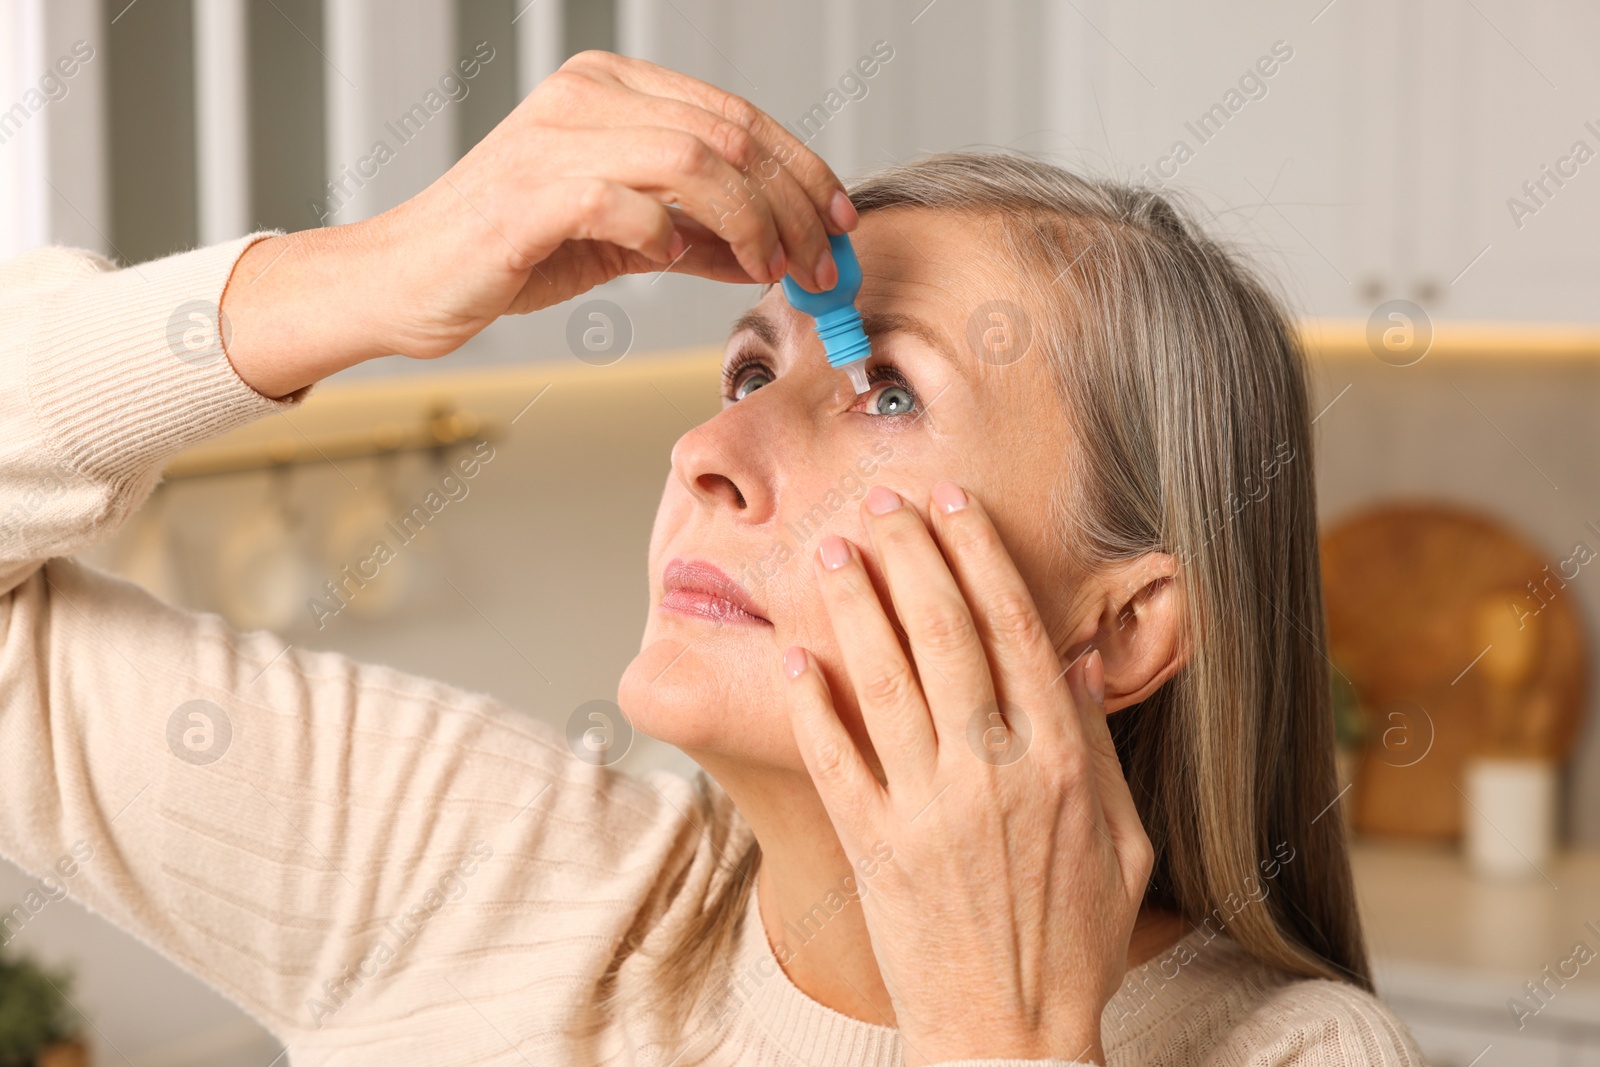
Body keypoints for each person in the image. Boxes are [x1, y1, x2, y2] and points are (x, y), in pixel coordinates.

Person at [0, 51, 1421, 1066]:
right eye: (750, 371)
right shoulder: (471, 865)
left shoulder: (1294, 1055)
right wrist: (375, 270)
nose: (707, 456)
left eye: (885, 392)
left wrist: (1003, 1040)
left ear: (1117, 629)